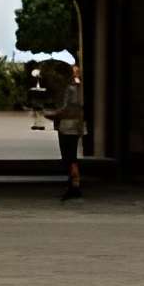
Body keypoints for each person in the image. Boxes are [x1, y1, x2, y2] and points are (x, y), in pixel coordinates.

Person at [53, 58, 87, 202]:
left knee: (69, 156)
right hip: (76, 125)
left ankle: (74, 184)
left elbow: (67, 108)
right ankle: (74, 183)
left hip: (68, 126)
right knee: (71, 156)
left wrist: (54, 115)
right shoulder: (78, 89)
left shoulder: (70, 89)